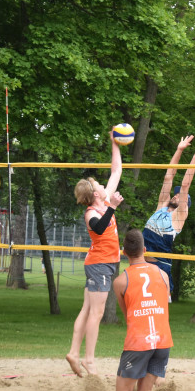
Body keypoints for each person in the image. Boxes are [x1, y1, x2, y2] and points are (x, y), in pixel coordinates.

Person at [67, 131, 124, 377]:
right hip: (99, 265)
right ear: (96, 193)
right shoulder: (92, 212)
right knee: (97, 313)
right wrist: (111, 207)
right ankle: (89, 360)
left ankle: (73, 352)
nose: (104, 184)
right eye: (100, 185)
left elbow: (116, 171)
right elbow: (100, 228)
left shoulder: (104, 201)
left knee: (87, 309)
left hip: (104, 263)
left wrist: (114, 142)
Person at [113, 229, 172, 391]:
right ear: (145, 250)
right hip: (162, 339)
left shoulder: (120, 282)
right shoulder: (163, 275)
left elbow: (128, 312)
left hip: (139, 342)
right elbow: (165, 304)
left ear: (124, 253)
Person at [142, 135, 195, 300]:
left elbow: (186, 185)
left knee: (160, 305)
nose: (177, 195)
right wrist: (179, 150)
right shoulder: (161, 206)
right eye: (176, 193)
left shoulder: (179, 215)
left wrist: (194, 157)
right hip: (142, 260)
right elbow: (169, 176)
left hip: (160, 264)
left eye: (182, 196)